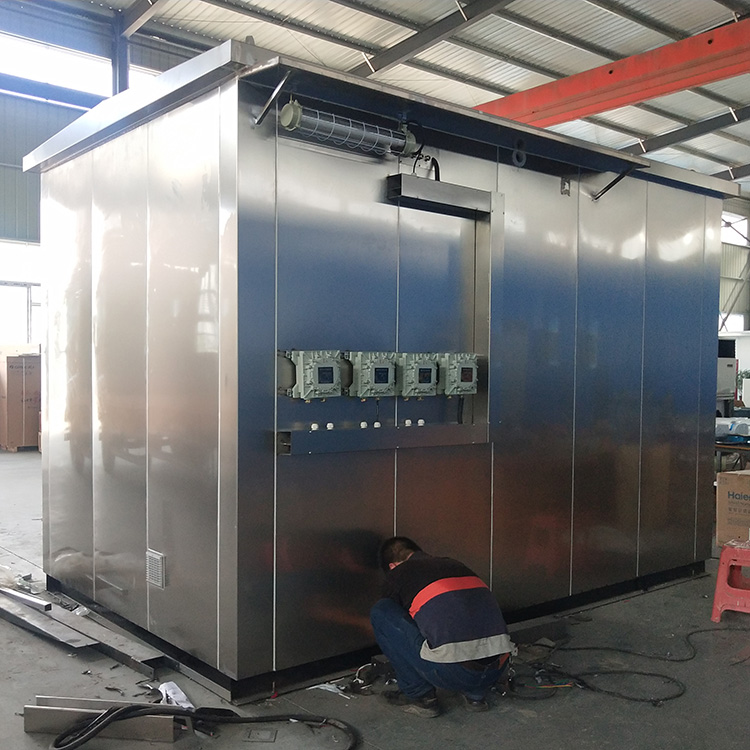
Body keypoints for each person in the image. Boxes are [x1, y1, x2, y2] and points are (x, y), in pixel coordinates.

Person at [370, 536, 515, 717]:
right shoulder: (455, 564)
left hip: (453, 673)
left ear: (393, 566)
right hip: (497, 668)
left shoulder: (400, 572)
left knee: (381, 611)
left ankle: (420, 697)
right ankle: (475, 695)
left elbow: (396, 624)